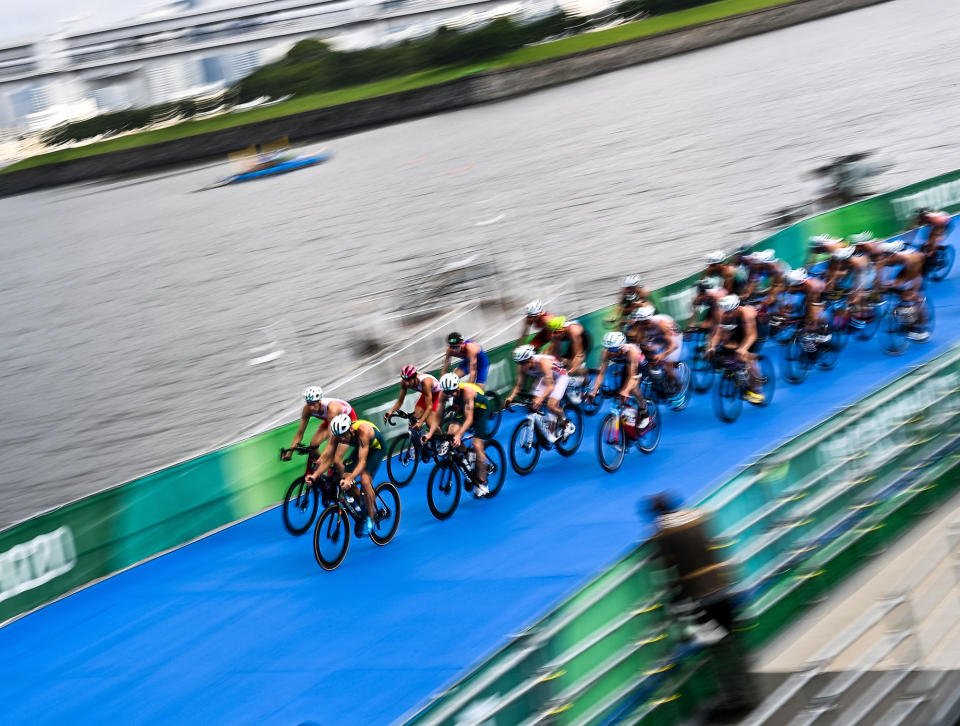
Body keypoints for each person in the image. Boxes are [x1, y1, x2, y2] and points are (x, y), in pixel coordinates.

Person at [308, 414, 384, 536]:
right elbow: (328, 460)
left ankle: (371, 519)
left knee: (364, 480)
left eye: (343, 436)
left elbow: (362, 461)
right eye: (339, 437)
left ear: (351, 430)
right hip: (361, 447)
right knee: (344, 474)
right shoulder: (337, 434)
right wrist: (315, 475)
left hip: (376, 448)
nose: (342, 440)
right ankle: (360, 505)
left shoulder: (362, 431)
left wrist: (350, 478)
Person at [428, 372, 490, 497]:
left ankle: (483, 483)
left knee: (477, 445)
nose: (449, 395)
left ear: (457, 387)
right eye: (447, 392)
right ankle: (468, 455)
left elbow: (469, 419)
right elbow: (437, 417)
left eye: (452, 392)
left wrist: (459, 435)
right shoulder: (444, 393)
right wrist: (430, 433)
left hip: (480, 410)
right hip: (463, 410)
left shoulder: (467, 392)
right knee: (450, 434)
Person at [504, 344, 575, 443]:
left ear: (531, 359)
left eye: (524, 363)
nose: (522, 366)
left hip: (560, 377)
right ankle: (547, 424)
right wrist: (510, 397)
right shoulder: (521, 366)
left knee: (550, 405)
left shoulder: (542, 363)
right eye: (519, 363)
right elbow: (519, 385)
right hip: (545, 377)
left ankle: (565, 423)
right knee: (533, 405)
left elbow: (550, 385)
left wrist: (541, 399)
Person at [587, 331, 651, 430]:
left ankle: (644, 410)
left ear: (622, 346)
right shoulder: (606, 352)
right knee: (616, 390)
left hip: (639, 367)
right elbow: (601, 373)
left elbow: (632, 376)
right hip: (625, 366)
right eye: (609, 349)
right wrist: (594, 391)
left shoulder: (631, 351)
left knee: (632, 388)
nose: (612, 352)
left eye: (615, 349)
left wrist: (625, 391)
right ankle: (627, 413)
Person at [708, 294, 765, 404]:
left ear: (737, 308)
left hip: (755, 332)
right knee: (726, 349)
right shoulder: (724, 314)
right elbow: (718, 333)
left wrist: (743, 349)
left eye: (730, 312)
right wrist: (712, 347)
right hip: (739, 331)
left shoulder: (746, 314)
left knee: (749, 359)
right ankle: (737, 372)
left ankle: (757, 390)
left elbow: (751, 335)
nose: (727, 315)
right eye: (725, 312)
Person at [282, 385, 356, 461]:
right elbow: (299, 434)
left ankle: (333, 467)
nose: (311, 407)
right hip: (332, 421)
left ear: (320, 400)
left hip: (346, 421)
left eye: (313, 404)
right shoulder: (307, 409)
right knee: (313, 446)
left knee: (336, 460)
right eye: (309, 403)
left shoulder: (332, 408)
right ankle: (323, 469)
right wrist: (290, 453)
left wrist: (322, 458)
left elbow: (332, 439)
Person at [878, 240, 930, 341]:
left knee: (911, 296)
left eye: (886, 257)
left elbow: (914, 278)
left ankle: (921, 329)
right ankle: (907, 319)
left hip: (918, 270)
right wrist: (883, 285)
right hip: (906, 269)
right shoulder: (890, 257)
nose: (884, 260)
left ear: (892, 255)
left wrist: (897, 285)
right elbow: (882, 271)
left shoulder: (910, 259)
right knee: (897, 290)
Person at [629, 305, 684, 398]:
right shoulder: (639, 325)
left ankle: (678, 384)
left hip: (673, 338)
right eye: (641, 323)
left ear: (651, 319)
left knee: (667, 364)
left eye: (646, 322)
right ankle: (657, 380)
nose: (644, 325)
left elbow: (674, 345)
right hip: (657, 337)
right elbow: (637, 343)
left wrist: (662, 355)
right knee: (649, 355)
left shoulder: (661, 324)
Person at [384, 365, 441, 432]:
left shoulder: (425, 382)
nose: (407, 383)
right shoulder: (404, 383)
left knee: (430, 424)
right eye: (404, 380)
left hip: (438, 395)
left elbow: (429, 407)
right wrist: (391, 411)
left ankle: (443, 440)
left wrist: (420, 422)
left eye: (408, 380)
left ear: (415, 377)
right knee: (414, 417)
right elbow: (400, 400)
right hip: (426, 394)